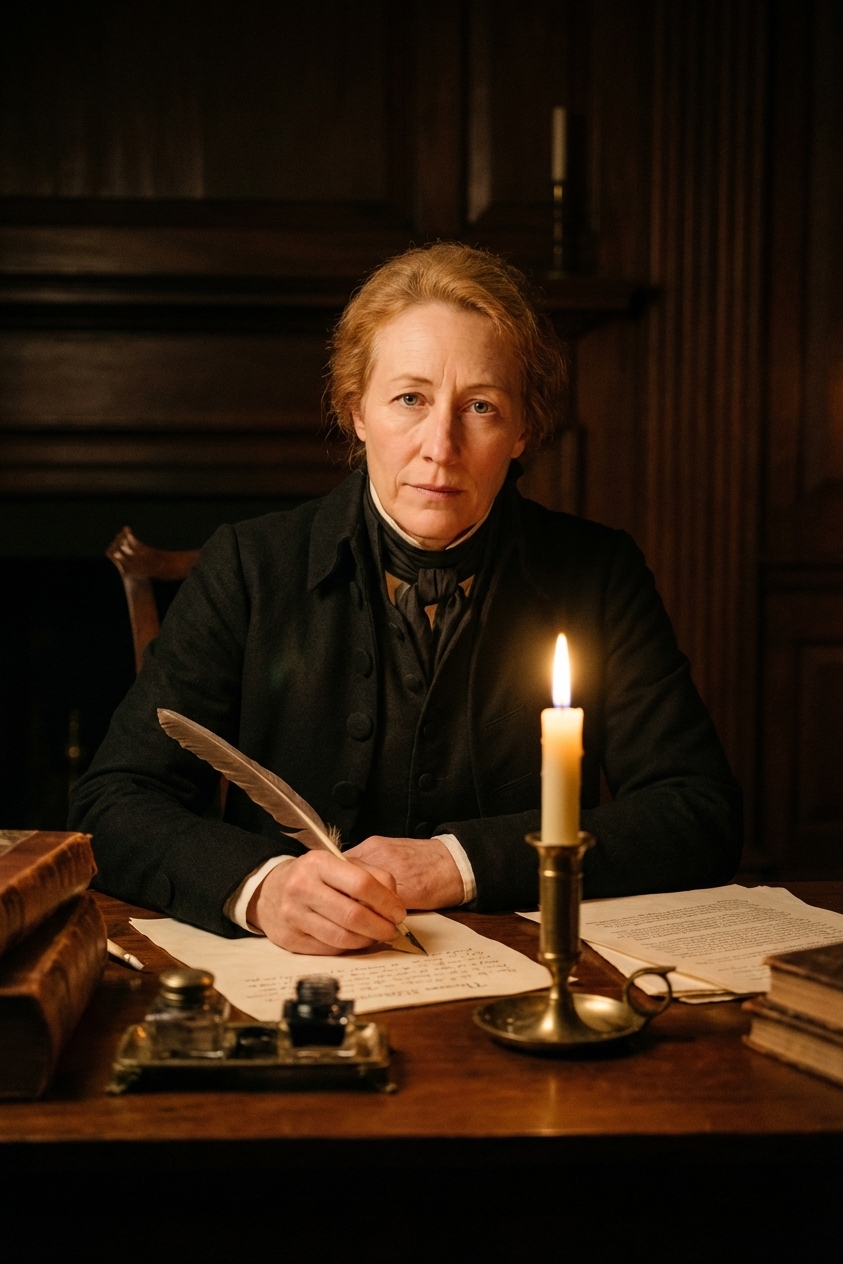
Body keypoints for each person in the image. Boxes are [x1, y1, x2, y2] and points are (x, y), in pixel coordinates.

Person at [69, 242, 742, 954]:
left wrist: (457, 863)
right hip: (288, 973)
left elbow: (699, 813)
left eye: (480, 406)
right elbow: (112, 803)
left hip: (521, 972)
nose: (440, 446)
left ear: (523, 430)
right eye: (410, 399)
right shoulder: (248, 566)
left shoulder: (597, 574)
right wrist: (263, 887)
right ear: (356, 411)